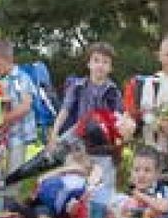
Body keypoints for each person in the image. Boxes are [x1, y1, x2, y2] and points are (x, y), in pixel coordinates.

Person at [49, 42, 124, 188]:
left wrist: (118, 148)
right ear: (89, 63)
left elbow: (119, 121)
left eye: (105, 62)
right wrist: (54, 133)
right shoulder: (77, 87)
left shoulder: (113, 92)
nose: (100, 65)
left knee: (102, 190)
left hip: (104, 150)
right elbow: (65, 110)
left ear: (110, 68)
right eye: (96, 60)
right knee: (75, 185)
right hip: (78, 146)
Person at [0, 39, 37, 197]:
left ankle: (10, 211)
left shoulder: (22, 78)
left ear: (10, 60)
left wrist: (4, 119)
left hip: (17, 138)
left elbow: (26, 106)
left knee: (13, 176)